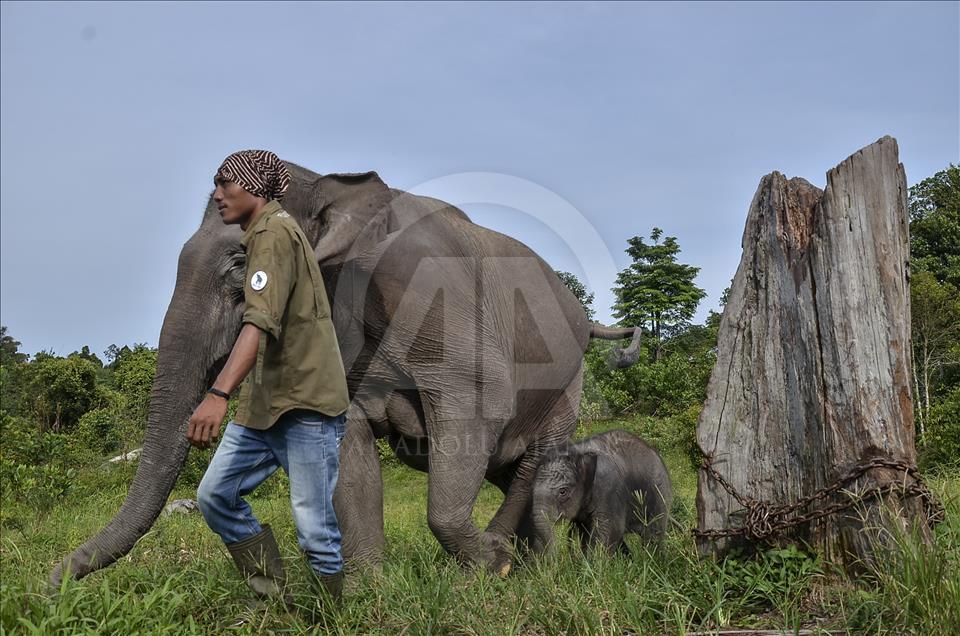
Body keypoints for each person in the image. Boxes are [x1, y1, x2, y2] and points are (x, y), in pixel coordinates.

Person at [187, 149, 351, 606]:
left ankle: (326, 621)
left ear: (255, 186)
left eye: (226, 183)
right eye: (215, 185)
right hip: (265, 404)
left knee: (313, 526)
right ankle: (271, 599)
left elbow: (258, 323)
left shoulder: (274, 234)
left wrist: (218, 393)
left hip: (306, 405)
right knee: (216, 495)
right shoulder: (260, 235)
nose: (217, 194)